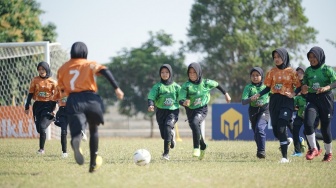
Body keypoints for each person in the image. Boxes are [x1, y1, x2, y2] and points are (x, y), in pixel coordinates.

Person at [57, 41, 124, 172]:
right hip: (91, 99)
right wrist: (116, 88)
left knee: (77, 131)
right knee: (93, 130)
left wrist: (63, 101)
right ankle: (93, 163)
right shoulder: (89, 64)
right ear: (85, 52)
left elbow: (62, 89)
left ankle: (76, 140)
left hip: (74, 100)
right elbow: (104, 71)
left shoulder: (63, 68)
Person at [251, 48, 301, 163]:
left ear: (284, 57)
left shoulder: (292, 72)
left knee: (282, 127)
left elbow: (298, 86)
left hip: (287, 101)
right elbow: (268, 88)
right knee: (276, 130)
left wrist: (293, 93)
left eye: (279, 57)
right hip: (274, 101)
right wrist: (258, 94)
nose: (276, 59)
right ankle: (287, 141)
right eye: (274, 57)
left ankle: (284, 157)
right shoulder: (271, 72)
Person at [178, 62, 231, 160]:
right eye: (190, 73)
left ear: (199, 72)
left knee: (195, 123)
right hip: (190, 111)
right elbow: (180, 99)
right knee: (195, 127)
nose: (192, 74)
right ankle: (203, 145)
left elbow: (217, 85)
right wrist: (184, 102)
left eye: (194, 72)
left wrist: (226, 94)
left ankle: (196, 148)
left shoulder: (206, 83)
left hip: (202, 109)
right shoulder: (186, 86)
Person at [301, 46, 336, 162]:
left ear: (320, 56)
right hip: (312, 99)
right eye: (310, 57)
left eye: (314, 56)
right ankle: (313, 148)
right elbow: (304, 85)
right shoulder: (308, 70)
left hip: (326, 99)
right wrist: (304, 88)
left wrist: (326, 87)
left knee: (325, 129)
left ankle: (328, 153)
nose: (312, 59)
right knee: (308, 122)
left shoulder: (327, 69)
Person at [147, 64, 181, 161]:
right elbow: (151, 96)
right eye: (162, 72)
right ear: (160, 74)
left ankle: (166, 154)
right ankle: (171, 136)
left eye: (167, 72)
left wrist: (185, 102)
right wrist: (151, 104)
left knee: (167, 127)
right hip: (160, 112)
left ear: (170, 73)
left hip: (173, 111)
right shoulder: (157, 86)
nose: (165, 74)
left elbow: (182, 96)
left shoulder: (176, 87)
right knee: (164, 135)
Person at [25, 61, 57, 155]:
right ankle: (51, 119)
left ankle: (41, 149)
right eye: (39, 69)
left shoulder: (53, 82)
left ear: (47, 69)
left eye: (43, 69)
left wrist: (55, 109)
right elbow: (30, 93)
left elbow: (57, 96)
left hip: (48, 105)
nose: (41, 71)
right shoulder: (35, 80)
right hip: (37, 105)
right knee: (39, 129)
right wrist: (27, 106)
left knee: (42, 127)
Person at [241, 67, 270, 159]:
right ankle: (259, 150)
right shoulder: (248, 88)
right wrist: (250, 99)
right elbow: (243, 102)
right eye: (253, 75)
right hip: (253, 111)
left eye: (257, 75)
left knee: (259, 128)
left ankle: (262, 151)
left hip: (264, 110)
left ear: (262, 76)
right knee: (256, 132)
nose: (255, 77)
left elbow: (275, 94)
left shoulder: (266, 86)